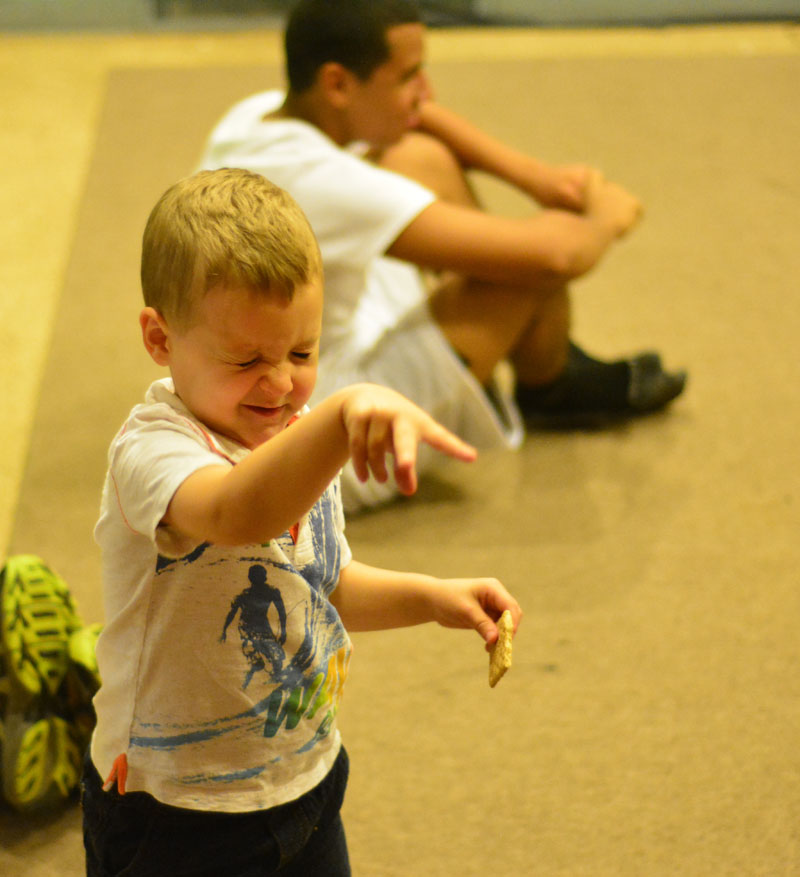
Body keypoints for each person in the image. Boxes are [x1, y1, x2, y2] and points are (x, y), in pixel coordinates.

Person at [82, 167, 521, 876]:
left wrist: (433, 597)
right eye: (247, 358)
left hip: (307, 776)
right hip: (177, 815)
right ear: (160, 338)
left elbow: (324, 583)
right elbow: (235, 512)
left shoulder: (296, 435)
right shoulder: (152, 451)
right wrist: (341, 417)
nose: (282, 382)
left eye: (302, 352)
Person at [198, 0, 687, 511]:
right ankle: (551, 384)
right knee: (520, 268)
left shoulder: (254, 117)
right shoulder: (324, 185)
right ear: (338, 84)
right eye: (408, 76)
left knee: (420, 156)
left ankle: (542, 362)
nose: (426, 92)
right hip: (325, 429)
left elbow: (422, 119)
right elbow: (555, 257)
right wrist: (605, 215)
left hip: (290, 351)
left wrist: (533, 176)